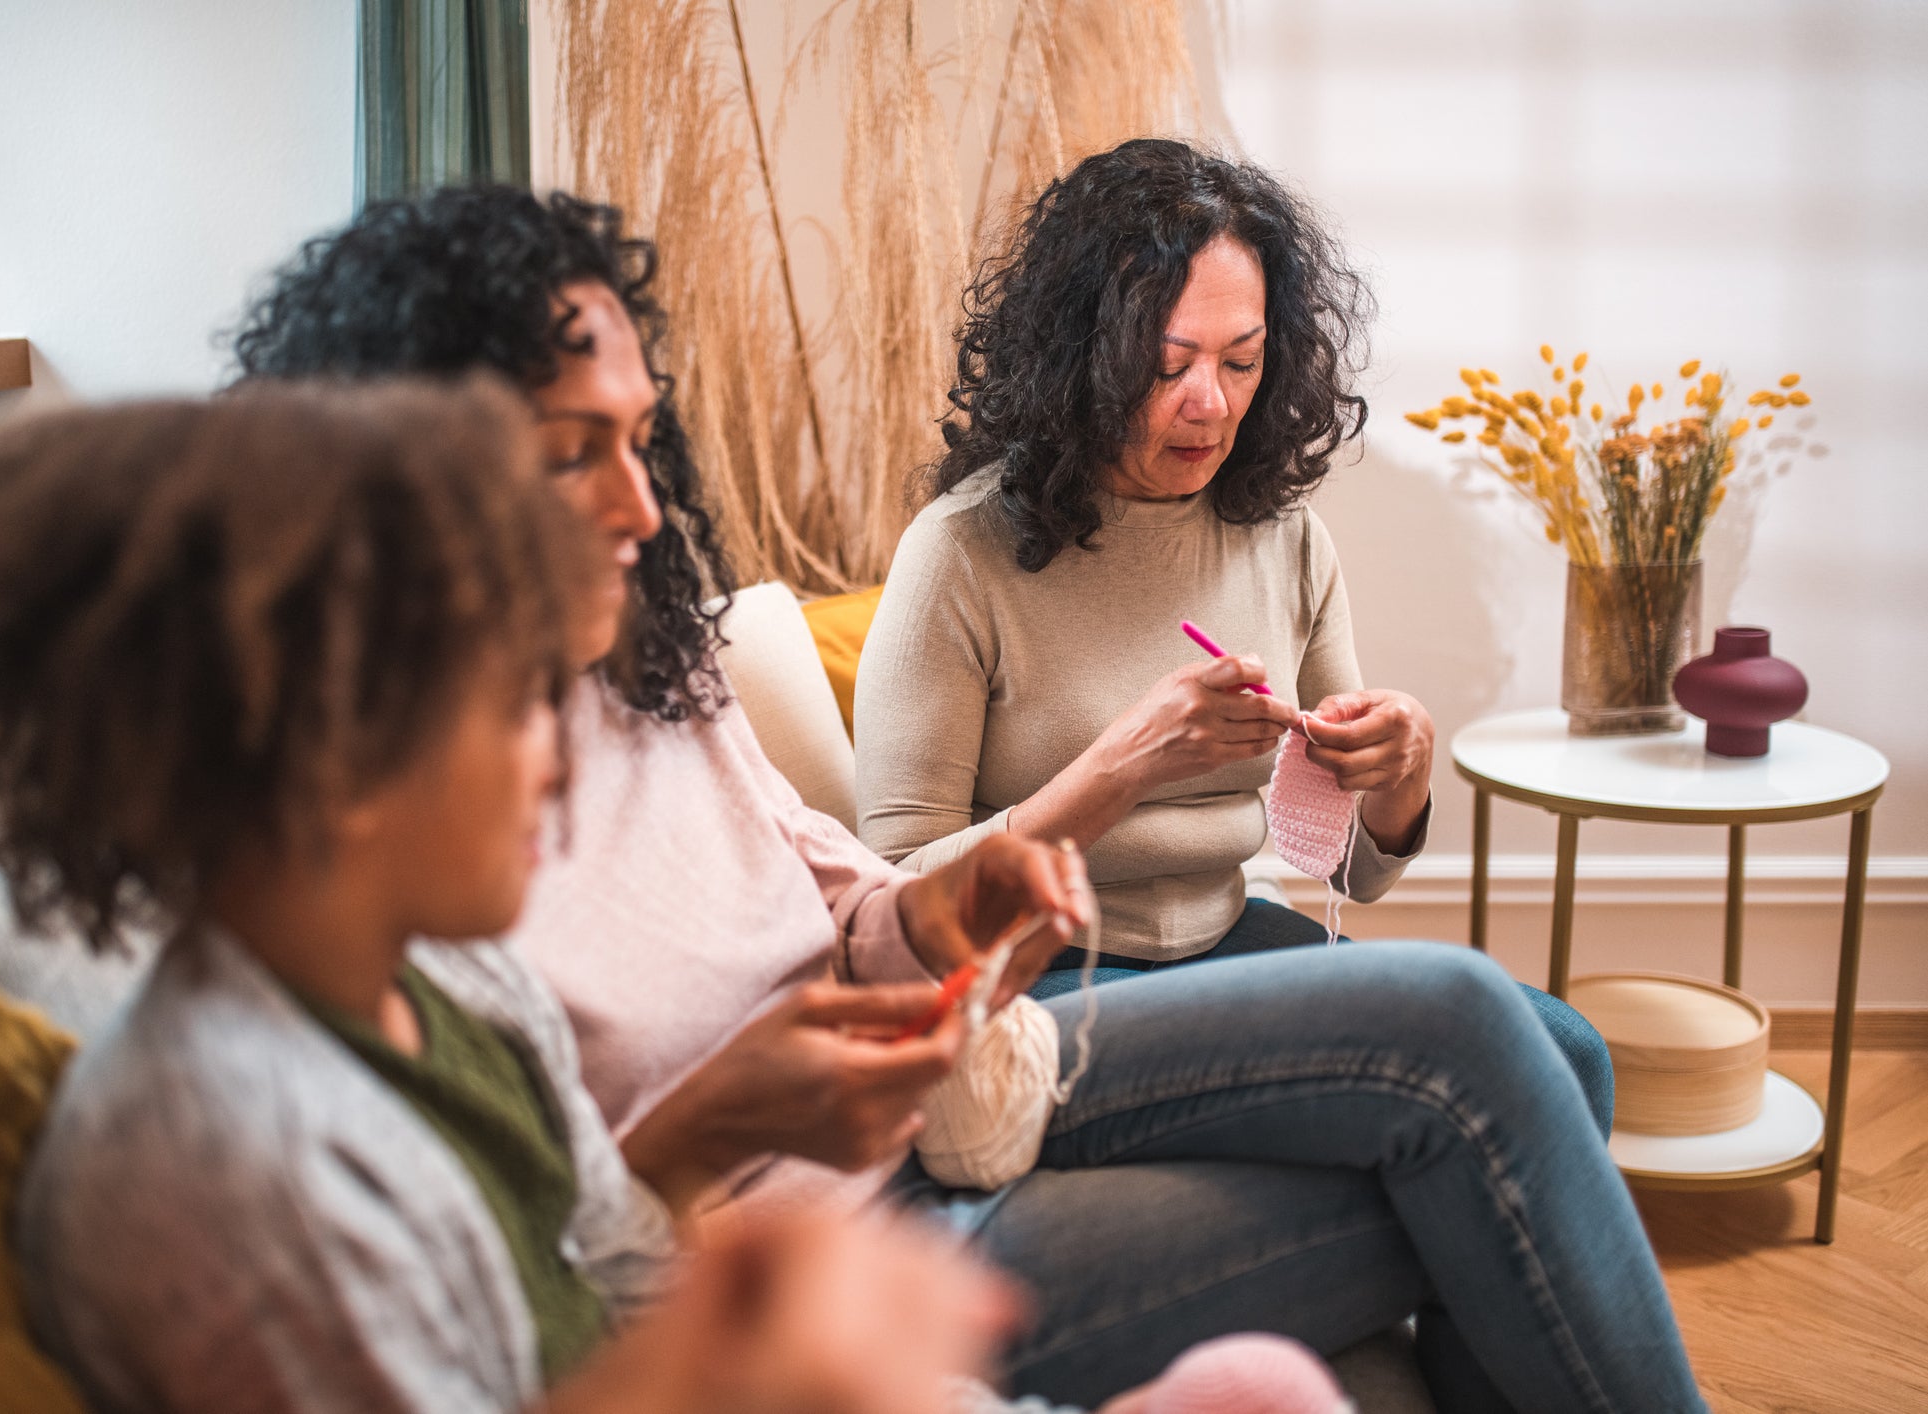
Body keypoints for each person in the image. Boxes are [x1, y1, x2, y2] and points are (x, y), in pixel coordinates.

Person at [233, 187, 1709, 1413]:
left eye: (639, 440)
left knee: (1551, 1058)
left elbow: (856, 899)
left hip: (966, 1062)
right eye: (576, 453)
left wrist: (1393, 784)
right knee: (1476, 1043)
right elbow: (532, 1262)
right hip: (923, 1135)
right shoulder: (393, 842)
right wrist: (1095, 785)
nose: (641, 505)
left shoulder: (645, 670)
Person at [0, 379, 1022, 1414]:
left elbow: (614, 1279)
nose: (561, 764)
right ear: (344, 750)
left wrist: (726, 1140)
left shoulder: (450, 980)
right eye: (518, 700)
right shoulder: (233, 1170)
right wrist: (750, 1343)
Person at [854, 137, 1612, 1138]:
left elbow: (1352, 873)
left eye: (1241, 360)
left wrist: (1399, 771)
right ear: (1081, 361)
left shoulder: (1283, 535)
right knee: (1451, 1076)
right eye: (1165, 366)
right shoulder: (960, 555)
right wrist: (1119, 769)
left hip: (1226, 945)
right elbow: (898, 909)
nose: (1209, 402)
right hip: (1044, 984)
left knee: (1565, 1053)